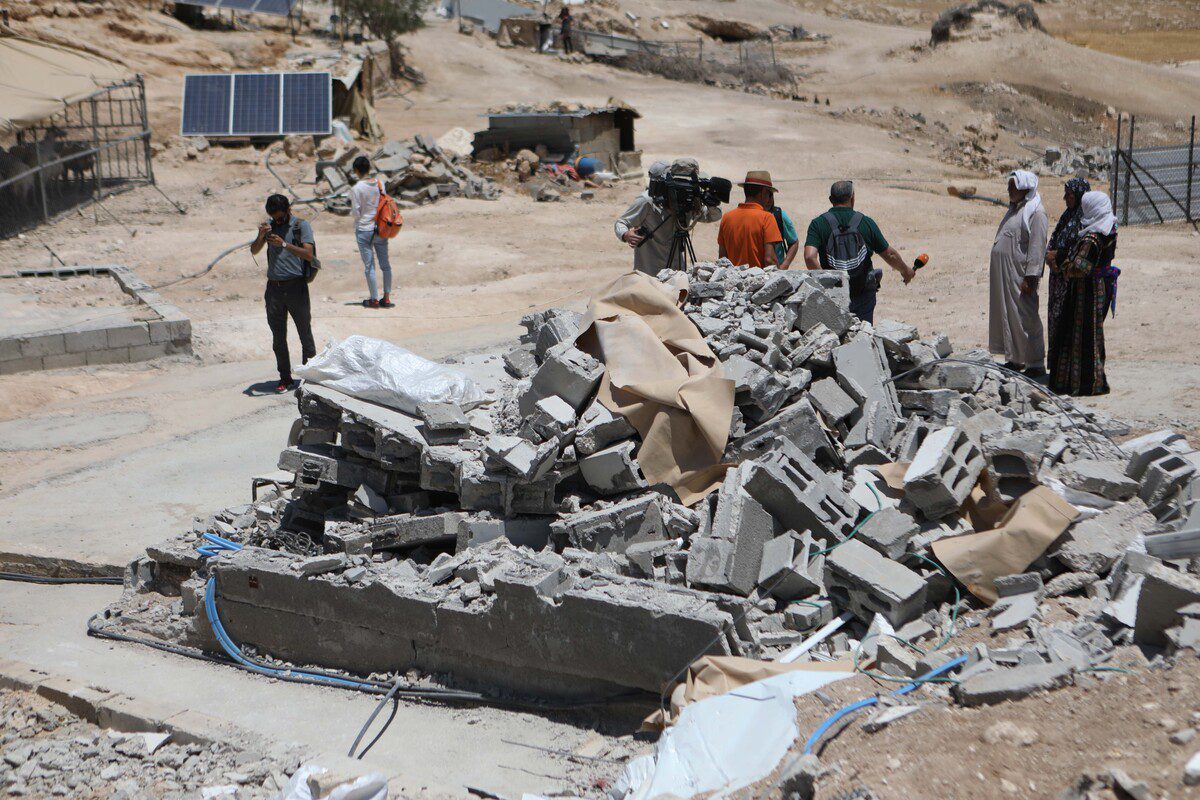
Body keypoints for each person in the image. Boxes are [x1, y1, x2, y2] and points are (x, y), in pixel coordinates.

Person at [802, 180, 914, 323]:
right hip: (863, 294)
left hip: (835, 294)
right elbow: (889, 254)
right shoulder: (865, 222)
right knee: (863, 337)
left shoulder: (818, 224)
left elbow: (810, 256)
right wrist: (905, 271)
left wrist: (826, 285)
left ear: (831, 200)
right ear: (852, 197)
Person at [1047, 191, 1116, 396]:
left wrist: (1060, 264)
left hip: (1086, 292)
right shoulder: (1108, 227)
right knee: (1091, 335)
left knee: (1080, 335)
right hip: (1095, 288)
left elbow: (1080, 267)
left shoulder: (1093, 237)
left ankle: (1081, 384)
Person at [250, 194, 317, 393]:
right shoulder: (270, 227)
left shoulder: (300, 226)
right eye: (274, 217)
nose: (277, 221)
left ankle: (309, 379)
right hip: (274, 289)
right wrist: (261, 236)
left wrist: (285, 244)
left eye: (280, 217)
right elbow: (254, 250)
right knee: (278, 337)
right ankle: (285, 378)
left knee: (305, 334)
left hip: (296, 287)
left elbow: (308, 254)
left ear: (288, 210)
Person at [614, 159, 721, 274]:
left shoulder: (687, 200)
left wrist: (710, 202)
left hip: (677, 269)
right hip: (650, 272)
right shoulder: (647, 201)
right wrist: (625, 234)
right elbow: (621, 222)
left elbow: (712, 216)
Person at [989, 170, 1049, 377]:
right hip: (1007, 274)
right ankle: (1015, 358)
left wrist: (1031, 276)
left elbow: (1037, 246)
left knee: (1026, 316)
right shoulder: (1015, 209)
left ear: (1025, 187)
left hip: (1021, 276)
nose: (1008, 190)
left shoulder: (1036, 212)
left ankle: (1035, 362)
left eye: (1012, 186)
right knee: (1009, 314)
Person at [1045, 177, 1091, 359]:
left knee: (1068, 321)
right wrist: (1050, 258)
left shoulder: (1085, 219)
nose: (1065, 198)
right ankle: (1056, 366)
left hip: (1070, 280)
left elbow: (1079, 248)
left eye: (1070, 195)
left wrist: (1058, 257)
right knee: (1055, 320)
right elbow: (1054, 239)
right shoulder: (1067, 216)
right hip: (1057, 278)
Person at [349, 156, 393, 309]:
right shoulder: (380, 184)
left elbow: (356, 212)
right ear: (369, 168)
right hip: (381, 228)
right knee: (385, 264)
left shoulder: (356, 189)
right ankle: (386, 298)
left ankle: (374, 299)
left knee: (369, 266)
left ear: (356, 170)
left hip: (364, 229)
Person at [717, 171, 783, 269]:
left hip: (733, 280)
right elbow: (770, 260)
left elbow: (722, 258)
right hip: (757, 282)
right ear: (763, 192)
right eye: (769, 194)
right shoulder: (767, 218)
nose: (769, 199)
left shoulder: (727, 218)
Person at [762, 189, 799, 268]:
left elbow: (794, 242)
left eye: (771, 196)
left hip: (776, 272)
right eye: (765, 196)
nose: (769, 200)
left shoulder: (779, 215)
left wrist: (785, 265)